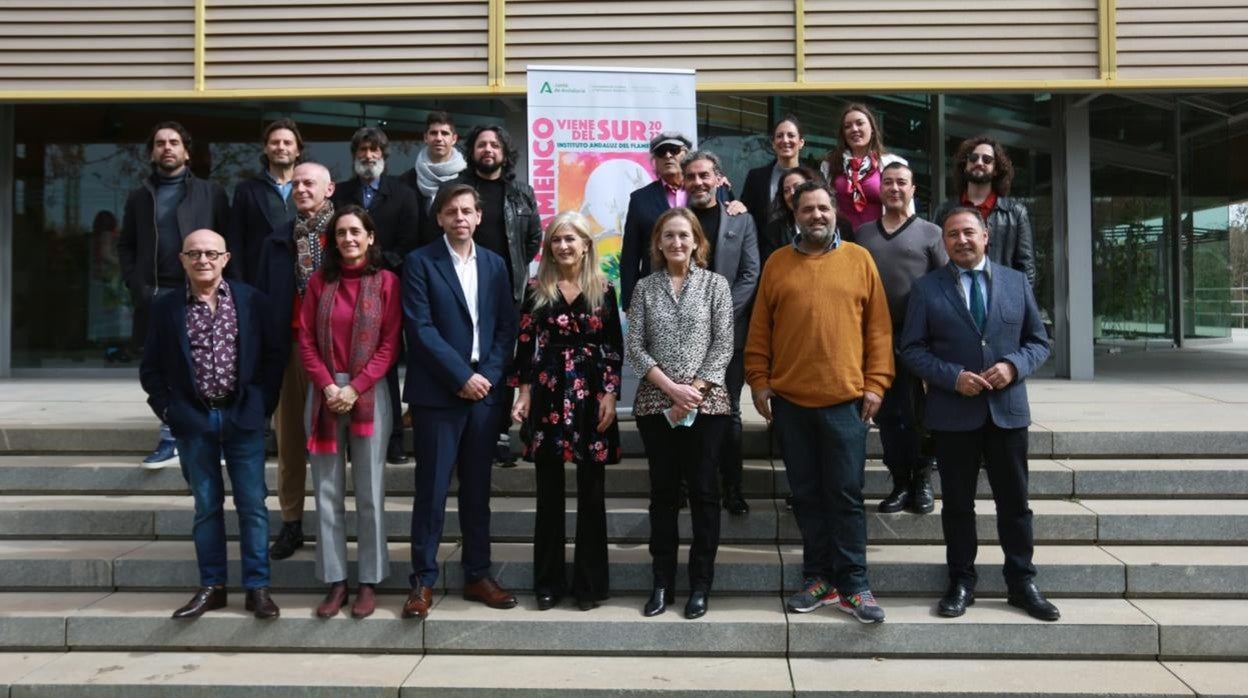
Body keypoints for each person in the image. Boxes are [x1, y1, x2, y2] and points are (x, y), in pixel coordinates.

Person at [899, 207, 1058, 622]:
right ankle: (961, 581)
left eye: (969, 232)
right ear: (944, 242)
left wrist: (1012, 366)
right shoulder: (926, 289)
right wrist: (953, 378)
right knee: (957, 506)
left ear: (986, 236)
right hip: (954, 415)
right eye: (952, 235)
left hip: (1007, 413)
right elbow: (912, 349)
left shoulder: (1015, 282)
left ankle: (1021, 582)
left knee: (1015, 505)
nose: (962, 240)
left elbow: (1039, 341)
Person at [746, 181, 893, 623]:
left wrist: (877, 383)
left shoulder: (859, 260)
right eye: (807, 209)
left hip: (846, 401)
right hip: (791, 402)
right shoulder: (777, 263)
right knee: (807, 496)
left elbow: (880, 330)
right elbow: (759, 330)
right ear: (796, 216)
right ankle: (818, 579)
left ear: (835, 213)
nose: (816, 215)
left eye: (823, 208)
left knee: (845, 495)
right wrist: (758, 380)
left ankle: (855, 584)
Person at [139, 229, 283, 620]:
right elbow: (151, 369)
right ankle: (213, 587)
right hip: (194, 419)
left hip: (242, 416)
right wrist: (170, 411)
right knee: (206, 507)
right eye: (195, 254)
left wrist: (261, 404)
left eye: (211, 254)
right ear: (182, 260)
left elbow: (273, 358)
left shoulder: (252, 301)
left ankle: (257, 588)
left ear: (226, 258)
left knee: (253, 505)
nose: (203, 260)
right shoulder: (166, 307)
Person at [401, 183, 519, 620]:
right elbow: (420, 327)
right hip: (438, 394)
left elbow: (507, 327)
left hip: (483, 395)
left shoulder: (494, 264)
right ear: (439, 218)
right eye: (451, 211)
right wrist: (461, 376)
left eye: (467, 211)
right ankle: (422, 581)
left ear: (479, 216)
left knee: (477, 491)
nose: (460, 218)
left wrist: (485, 377)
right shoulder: (419, 262)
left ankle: (478, 575)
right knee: (430, 492)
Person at [510, 211, 623, 612]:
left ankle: (589, 585)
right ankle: (548, 583)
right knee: (549, 494)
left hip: (592, 392)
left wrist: (610, 395)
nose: (563, 246)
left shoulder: (604, 288)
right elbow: (525, 345)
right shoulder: (537, 288)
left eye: (571, 238)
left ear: (586, 244)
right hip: (549, 389)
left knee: (592, 493)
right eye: (557, 239)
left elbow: (613, 347)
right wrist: (522, 393)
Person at [627, 207, 734, 620]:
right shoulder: (644, 288)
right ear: (658, 242)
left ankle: (700, 585)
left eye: (684, 235)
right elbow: (635, 347)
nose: (676, 242)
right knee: (664, 495)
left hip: (707, 407)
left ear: (696, 242)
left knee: (706, 494)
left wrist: (693, 392)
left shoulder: (715, 286)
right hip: (657, 405)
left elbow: (723, 345)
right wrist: (671, 389)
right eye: (668, 235)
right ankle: (661, 583)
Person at [298, 205, 402, 620]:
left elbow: (391, 344)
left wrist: (355, 387)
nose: (349, 239)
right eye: (341, 233)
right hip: (323, 393)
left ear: (371, 237)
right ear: (333, 240)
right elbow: (305, 340)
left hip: (370, 394)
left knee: (370, 491)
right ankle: (336, 579)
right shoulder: (319, 284)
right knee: (326, 491)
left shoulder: (388, 283)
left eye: (356, 231)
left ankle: (369, 580)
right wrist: (327, 385)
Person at [119, 121, 230, 469]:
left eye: (174, 142)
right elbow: (127, 246)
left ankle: (217, 437)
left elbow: (228, 241)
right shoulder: (140, 196)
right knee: (164, 369)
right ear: (152, 152)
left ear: (186, 151)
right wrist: (135, 284)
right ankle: (171, 436)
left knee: (209, 365)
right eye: (160, 143)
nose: (167, 148)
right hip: (157, 294)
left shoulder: (211, 193)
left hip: (201, 290)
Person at [853, 162, 948, 515]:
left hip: (919, 340)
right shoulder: (862, 234)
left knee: (920, 415)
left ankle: (922, 480)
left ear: (913, 191)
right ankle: (899, 481)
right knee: (890, 416)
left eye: (901, 183)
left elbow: (945, 286)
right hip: (876, 340)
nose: (894, 188)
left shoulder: (931, 234)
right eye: (888, 182)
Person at [445, 124, 542, 467]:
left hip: (507, 292)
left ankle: (499, 433)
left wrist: (510, 272)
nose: (488, 150)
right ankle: (464, 430)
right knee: (467, 359)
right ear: (472, 151)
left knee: (503, 362)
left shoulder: (521, 192)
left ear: (504, 152)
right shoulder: (456, 190)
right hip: (462, 290)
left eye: (495, 145)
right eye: (482, 144)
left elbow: (533, 240)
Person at [257, 161, 336, 561]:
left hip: (336, 353)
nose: (302, 189)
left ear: (330, 189)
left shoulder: (347, 235)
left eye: (310, 183)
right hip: (289, 350)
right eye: (297, 184)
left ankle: (330, 524)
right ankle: (291, 523)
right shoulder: (277, 241)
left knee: (332, 446)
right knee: (289, 443)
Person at [331, 126, 420, 466]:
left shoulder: (403, 193)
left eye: (375, 151)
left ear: (384, 155)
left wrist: (376, 266)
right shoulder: (341, 193)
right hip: (347, 287)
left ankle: (393, 439)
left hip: (387, 287)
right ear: (354, 156)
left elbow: (409, 242)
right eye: (362, 151)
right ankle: (354, 436)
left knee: (384, 363)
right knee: (351, 361)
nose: (368, 157)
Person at [683, 150, 759, 516]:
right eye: (692, 176)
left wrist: (719, 315)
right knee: (687, 409)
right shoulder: (676, 221)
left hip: (730, 334)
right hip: (681, 337)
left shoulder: (740, 220)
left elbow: (749, 274)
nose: (698, 182)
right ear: (684, 182)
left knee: (727, 413)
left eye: (704, 175)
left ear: (718, 178)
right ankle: (694, 484)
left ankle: (733, 488)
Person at [618, 132, 746, 311]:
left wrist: (739, 207)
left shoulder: (712, 189)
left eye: (674, 150)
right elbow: (630, 255)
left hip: (706, 296)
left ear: (687, 155)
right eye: (661, 152)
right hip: (658, 298)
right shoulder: (640, 199)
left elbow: (731, 224)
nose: (668, 155)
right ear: (655, 161)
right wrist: (630, 304)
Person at [933, 137, 1036, 288]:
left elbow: (1026, 268)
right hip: (954, 297)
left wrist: (1015, 304)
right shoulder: (944, 211)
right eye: (973, 158)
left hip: (1001, 298)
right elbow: (936, 259)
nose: (979, 163)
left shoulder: (1015, 213)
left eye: (987, 160)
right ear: (965, 165)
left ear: (996, 169)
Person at [228, 118, 302, 286]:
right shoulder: (247, 190)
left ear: (297, 150)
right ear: (266, 149)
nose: (281, 147)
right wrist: (238, 283)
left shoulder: (310, 189)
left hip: (303, 281)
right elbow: (236, 241)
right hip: (259, 280)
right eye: (275, 142)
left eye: (287, 143)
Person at [820, 103, 908, 237]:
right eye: (847, 126)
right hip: (842, 241)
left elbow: (906, 209)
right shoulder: (829, 165)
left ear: (872, 128)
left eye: (859, 123)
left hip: (881, 240)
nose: (854, 129)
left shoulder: (894, 164)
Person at [401, 110, 467, 246]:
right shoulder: (406, 180)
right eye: (433, 133)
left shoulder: (467, 179)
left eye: (444, 133)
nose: (439, 138)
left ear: (454, 139)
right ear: (425, 137)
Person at [740, 114, 806, 236]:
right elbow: (746, 214)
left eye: (791, 135)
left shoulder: (814, 177)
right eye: (779, 136)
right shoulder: (755, 177)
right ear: (773, 143)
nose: (785, 140)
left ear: (801, 142)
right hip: (766, 251)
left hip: (807, 248)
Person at [759, 166, 821, 263]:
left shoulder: (837, 225)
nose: (792, 193)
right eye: (786, 190)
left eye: (797, 187)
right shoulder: (773, 232)